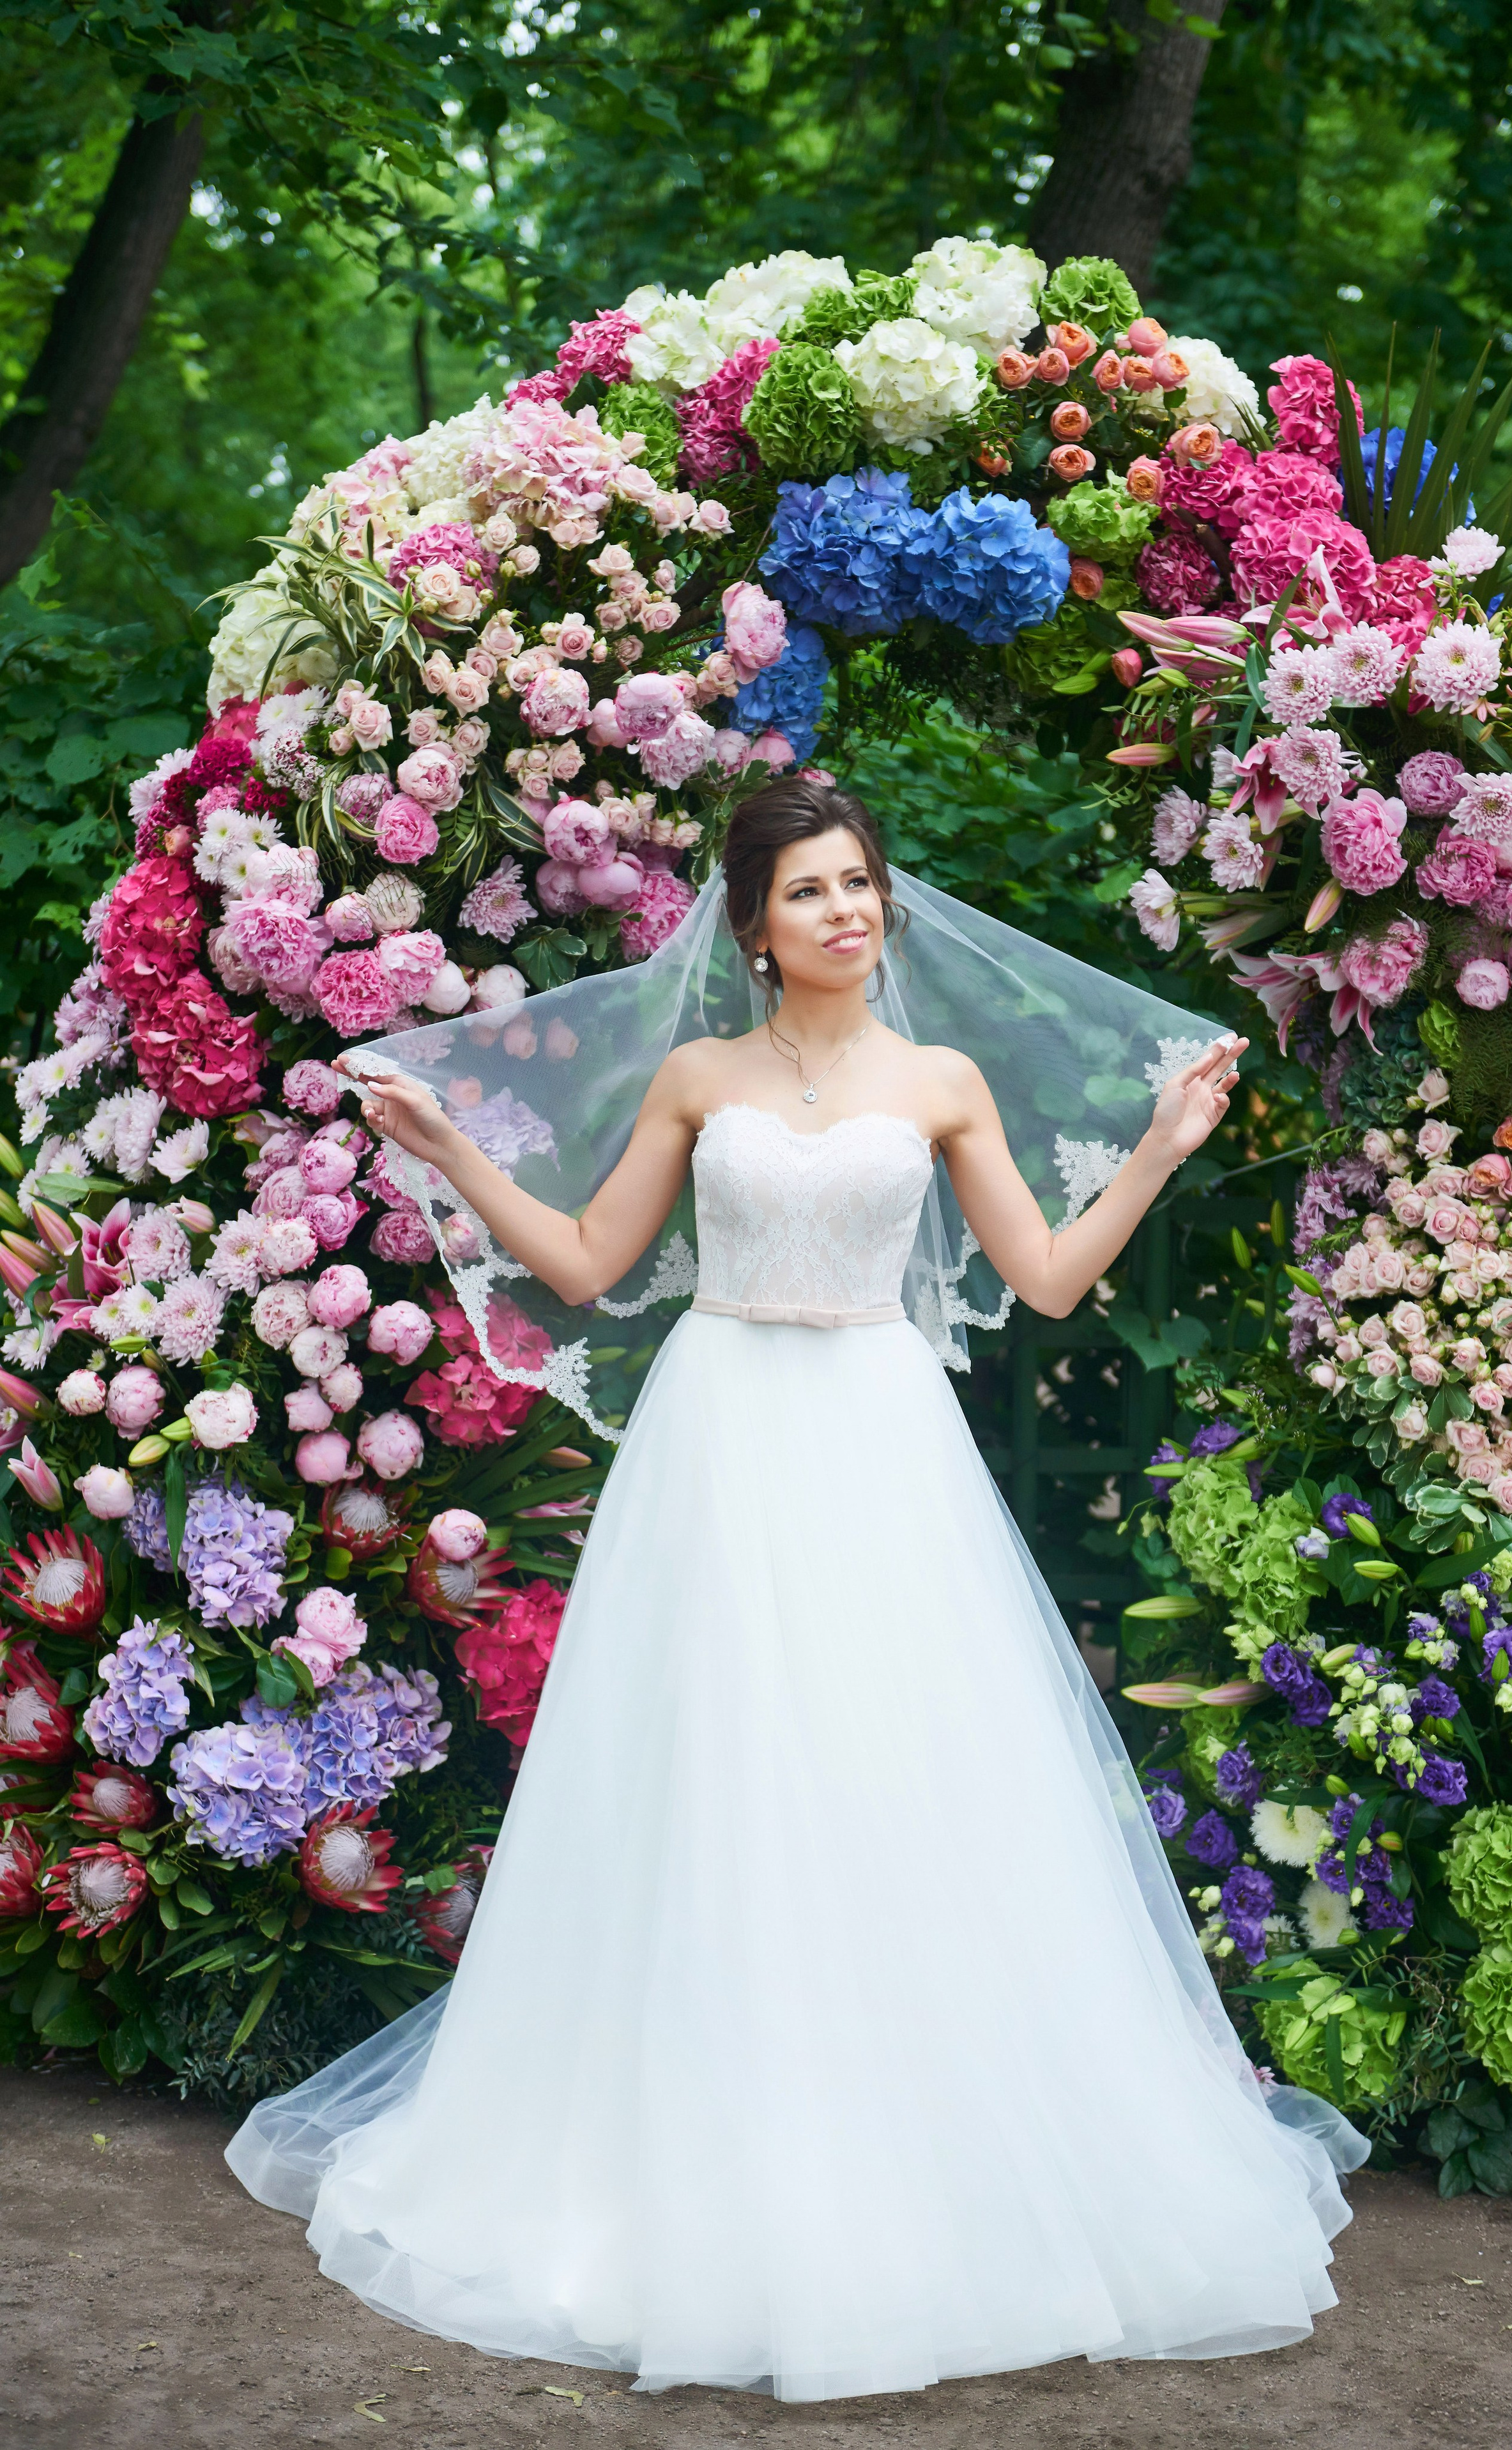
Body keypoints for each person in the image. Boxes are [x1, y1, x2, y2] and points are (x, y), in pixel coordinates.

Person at [225, 777, 1366, 2403]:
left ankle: (902, 2155)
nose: (847, 909)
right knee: (710, 1779)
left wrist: (1162, 1149)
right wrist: (452, 1149)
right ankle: (695, 2154)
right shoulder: (699, 1076)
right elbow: (586, 1262)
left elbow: (1045, 1278)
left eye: (859, 883)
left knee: (887, 1771)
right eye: (811, 889)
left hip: (879, 1442)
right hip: (717, 1437)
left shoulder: (940, 1080)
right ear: (752, 924)